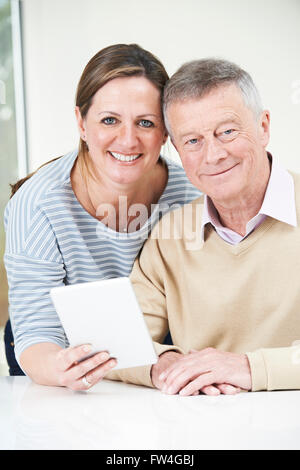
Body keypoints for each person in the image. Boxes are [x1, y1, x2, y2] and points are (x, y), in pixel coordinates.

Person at [3, 44, 202, 389]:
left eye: (145, 122)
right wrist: (59, 367)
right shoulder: (37, 204)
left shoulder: (193, 194)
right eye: (109, 120)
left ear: (166, 131)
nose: (128, 140)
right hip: (61, 351)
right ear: (81, 122)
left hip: (158, 350)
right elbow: (37, 331)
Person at [105, 58, 300, 395]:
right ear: (177, 150)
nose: (213, 155)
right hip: (197, 427)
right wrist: (164, 365)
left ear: (264, 126)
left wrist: (249, 368)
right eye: (193, 141)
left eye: (227, 131)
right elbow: (118, 342)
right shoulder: (170, 236)